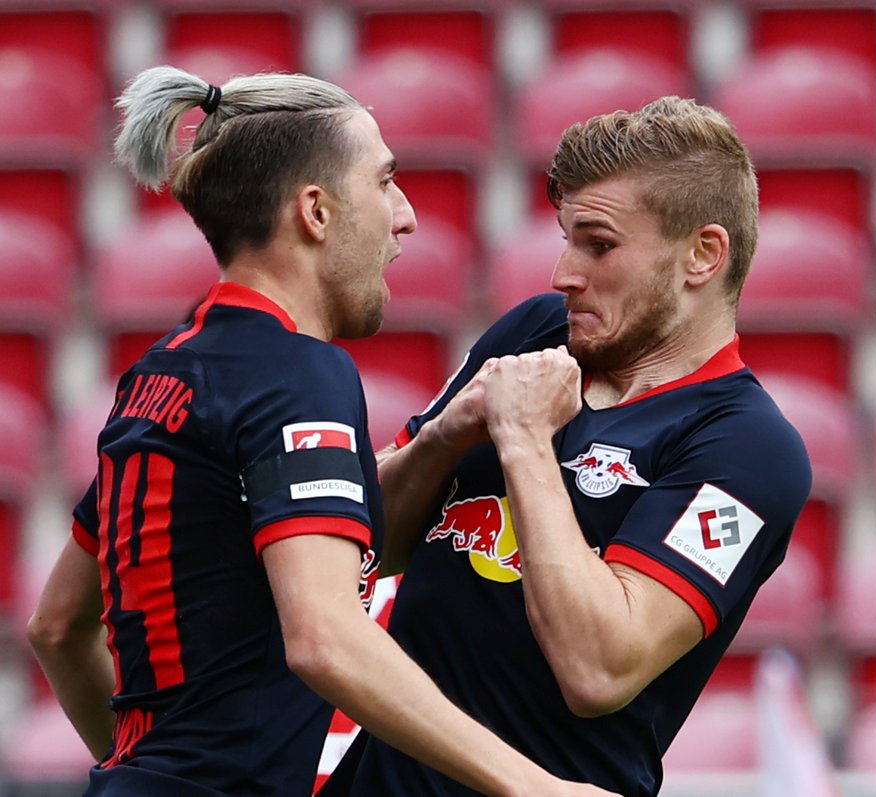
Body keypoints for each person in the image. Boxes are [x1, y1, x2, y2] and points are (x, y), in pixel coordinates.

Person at [25, 65, 616, 797]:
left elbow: (56, 625)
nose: (405, 216)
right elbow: (325, 636)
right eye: (384, 182)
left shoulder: (160, 373)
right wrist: (536, 787)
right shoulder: (297, 373)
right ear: (317, 211)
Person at [327, 96, 813, 796]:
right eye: (565, 239)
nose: (563, 274)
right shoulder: (533, 332)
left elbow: (599, 668)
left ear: (703, 254)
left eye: (599, 245)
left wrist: (523, 440)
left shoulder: (749, 448)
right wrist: (443, 438)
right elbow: (367, 546)